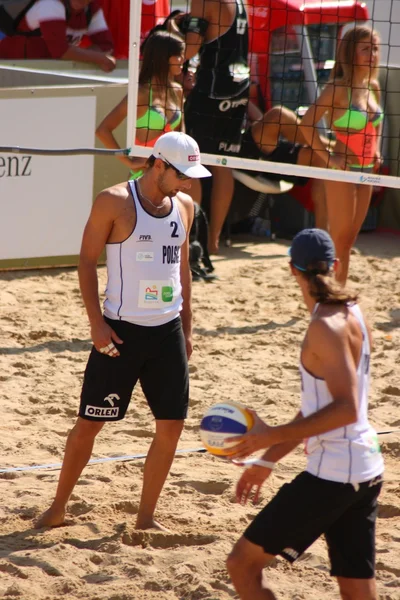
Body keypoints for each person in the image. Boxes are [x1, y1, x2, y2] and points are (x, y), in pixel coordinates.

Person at [35, 131, 211, 531]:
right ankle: (58, 507)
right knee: (90, 423)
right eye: (182, 174)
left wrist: (187, 326)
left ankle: (145, 518)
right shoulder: (114, 201)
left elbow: (181, 269)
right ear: (158, 164)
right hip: (120, 334)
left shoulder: (183, 205)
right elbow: (84, 261)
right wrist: (96, 323)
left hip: (166, 332)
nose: (188, 183)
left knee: (171, 425)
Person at [226, 228, 384, 600]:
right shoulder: (354, 312)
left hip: (332, 477)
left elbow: (344, 408)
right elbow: (320, 409)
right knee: (357, 590)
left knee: (241, 565)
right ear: (336, 265)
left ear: (291, 269)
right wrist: (268, 461)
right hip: (366, 469)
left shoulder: (324, 325)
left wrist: (270, 434)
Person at [299, 26, 383, 283]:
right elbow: (306, 125)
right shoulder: (336, 89)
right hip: (341, 170)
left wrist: (377, 149)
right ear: (350, 53)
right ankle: (330, 291)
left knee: (350, 239)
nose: (372, 54)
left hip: (367, 170)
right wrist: (328, 158)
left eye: (375, 49)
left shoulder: (373, 86)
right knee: (340, 238)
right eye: (365, 49)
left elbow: (376, 125)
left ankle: (336, 288)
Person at [169, 0, 250, 254]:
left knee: (194, 162)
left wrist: (171, 27)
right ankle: (212, 240)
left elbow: (189, 49)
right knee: (223, 163)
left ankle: (192, 240)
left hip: (212, 91)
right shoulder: (240, 3)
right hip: (239, 87)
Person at [95, 30, 202, 203]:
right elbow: (103, 130)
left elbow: (181, 137)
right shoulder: (141, 93)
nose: (183, 60)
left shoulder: (177, 91)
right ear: (163, 57)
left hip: (170, 180)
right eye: (179, 55)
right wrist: (129, 162)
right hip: (143, 180)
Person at [240, 105, 330, 230]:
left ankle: (324, 237)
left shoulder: (246, 91)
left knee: (322, 157)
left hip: (266, 149)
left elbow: (256, 114)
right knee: (278, 114)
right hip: (236, 149)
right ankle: (333, 147)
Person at [0, 0, 115, 71]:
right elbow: (61, 51)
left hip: (47, 72)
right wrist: (99, 59)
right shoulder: (50, 3)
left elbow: (106, 46)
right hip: (13, 70)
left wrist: (90, 57)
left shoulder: (92, 10)